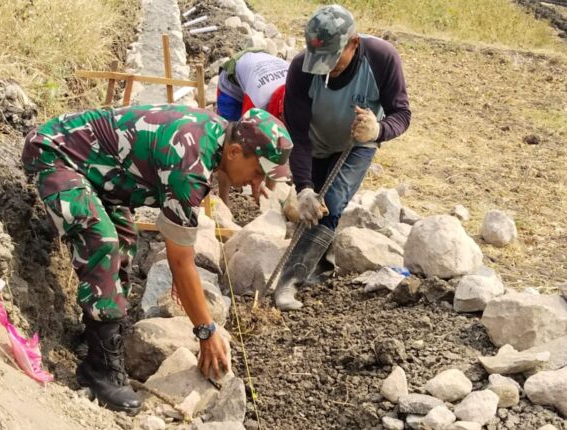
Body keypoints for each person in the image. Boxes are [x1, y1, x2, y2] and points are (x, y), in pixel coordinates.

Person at [21, 105, 293, 413]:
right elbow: (180, 262)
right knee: (103, 242)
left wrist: (252, 174)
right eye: (258, 172)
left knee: (124, 238)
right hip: (55, 155)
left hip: (96, 168)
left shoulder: (218, 136)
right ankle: (98, 370)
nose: (257, 180)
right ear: (233, 152)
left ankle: (97, 336)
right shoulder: (190, 168)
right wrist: (206, 330)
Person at [274, 4, 411, 311]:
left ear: (354, 43)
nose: (325, 69)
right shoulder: (301, 68)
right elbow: (298, 136)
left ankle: (288, 284)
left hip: (359, 142)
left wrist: (378, 129)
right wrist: (304, 188)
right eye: (319, 60)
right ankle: (321, 269)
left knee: (332, 203)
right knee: (313, 207)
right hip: (314, 143)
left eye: (332, 60)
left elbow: (402, 113)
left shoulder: (382, 58)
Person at [215, 50, 289, 205]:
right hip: (233, 83)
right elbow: (242, 141)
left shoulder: (302, 105)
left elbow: (278, 151)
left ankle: (267, 199)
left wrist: (261, 178)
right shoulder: (258, 101)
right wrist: (255, 176)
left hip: (262, 73)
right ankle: (224, 201)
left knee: (274, 148)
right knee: (225, 145)